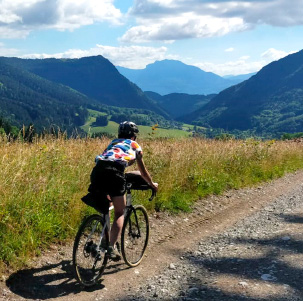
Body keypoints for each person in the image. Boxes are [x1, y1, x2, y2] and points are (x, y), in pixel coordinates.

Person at [89, 121, 158, 261]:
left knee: (107, 205)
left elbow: (112, 161)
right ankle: (111, 247)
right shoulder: (134, 145)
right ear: (134, 136)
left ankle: (102, 239)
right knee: (119, 212)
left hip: (97, 172)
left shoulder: (113, 143)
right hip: (115, 174)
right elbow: (142, 172)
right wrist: (152, 184)